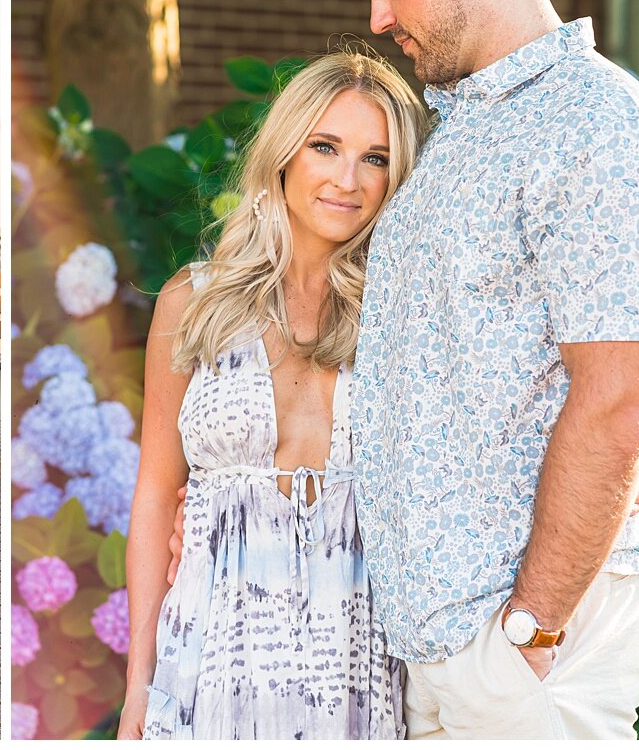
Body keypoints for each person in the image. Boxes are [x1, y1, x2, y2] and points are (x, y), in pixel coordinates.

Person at [347, 0, 639, 739]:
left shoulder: (600, 127)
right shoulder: (461, 129)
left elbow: (620, 398)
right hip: (442, 635)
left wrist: (531, 631)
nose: (380, 14)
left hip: (526, 642)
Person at [121, 51, 429, 739]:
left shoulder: (402, 314)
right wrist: (139, 681)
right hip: (210, 655)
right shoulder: (194, 301)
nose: (348, 179)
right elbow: (153, 494)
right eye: (326, 146)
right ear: (285, 154)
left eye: (375, 158)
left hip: (358, 661)